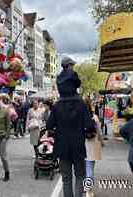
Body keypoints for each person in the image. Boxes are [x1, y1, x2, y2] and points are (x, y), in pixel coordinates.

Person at [46, 56, 94, 197]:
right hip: (78, 146)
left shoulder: (56, 105)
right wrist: (87, 132)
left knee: (66, 179)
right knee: (80, 176)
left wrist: (55, 133)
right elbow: (89, 126)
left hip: (62, 147)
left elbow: (49, 126)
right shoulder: (81, 104)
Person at [83, 98, 103, 197]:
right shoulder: (94, 117)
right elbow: (99, 131)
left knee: (83, 168)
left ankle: (85, 187)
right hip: (93, 144)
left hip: (82, 144)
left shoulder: (79, 117)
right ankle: (88, 190)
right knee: (90, 169)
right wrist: (102, 141)